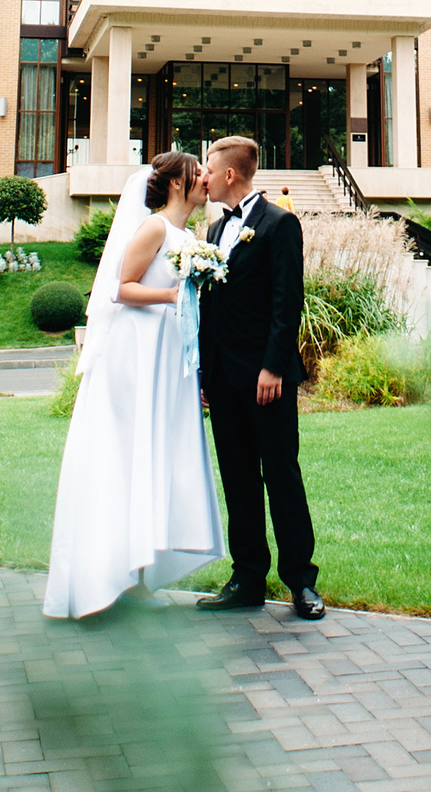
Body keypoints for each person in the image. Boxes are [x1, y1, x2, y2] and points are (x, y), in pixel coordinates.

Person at [42, 150, 225, 618]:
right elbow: (120, 287)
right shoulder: (154, 228)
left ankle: (139, 572)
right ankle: (103, 574)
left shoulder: (189, 236)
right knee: (126, 451)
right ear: (177, 183)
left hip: (167, 354)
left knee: (153, 455)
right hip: (136, 353)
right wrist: (172, 293)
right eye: (198, 173)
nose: (205, 179)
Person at [193, 135, 323, 620]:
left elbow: (288, 301)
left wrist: (273, 366)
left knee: (281, 474)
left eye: (208, 168)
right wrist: (206, 372)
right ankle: (247, 577)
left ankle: (301, 582)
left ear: (229, 174)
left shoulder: (279, 223)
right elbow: (211, 306)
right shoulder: (213, 231)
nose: (204, 177)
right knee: (238, 477)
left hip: (267, 378)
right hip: (223, 379)